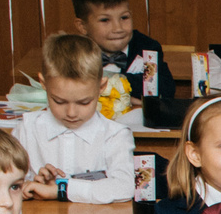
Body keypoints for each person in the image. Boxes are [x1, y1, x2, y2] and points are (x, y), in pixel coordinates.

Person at [19, 33, 136, 204]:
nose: (71, 113)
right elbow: (6, 183)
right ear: (43, 84)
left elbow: (125, 187)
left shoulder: (115, 135)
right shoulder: (27, 129)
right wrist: (29, 185)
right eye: (59, 101)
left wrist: (61, 189)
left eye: (84, 102)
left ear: (102, 87)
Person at [70, 0, 175, 126]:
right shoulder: (75, 52)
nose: (118, 28)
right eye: (105, 20)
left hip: (136, 126)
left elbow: (165, 90)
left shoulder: (146, 48)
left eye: (124, 18)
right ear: (82, 26)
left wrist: (113, 85)